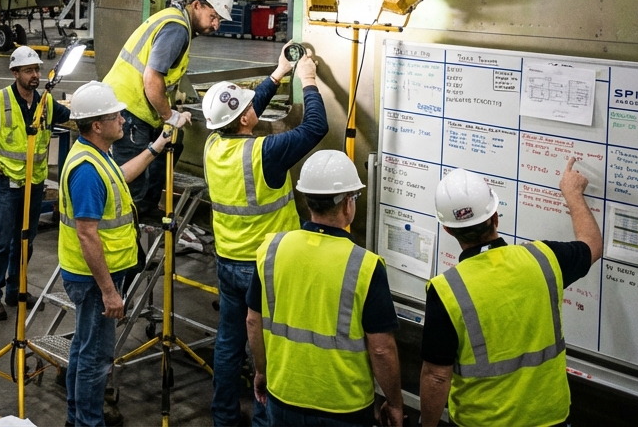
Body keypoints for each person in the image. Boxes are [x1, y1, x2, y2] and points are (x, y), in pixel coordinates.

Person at [200, 46, 328, 427]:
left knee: (228, 343)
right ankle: (263, 419)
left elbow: (244, 108)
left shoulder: (213, 146)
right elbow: (315, 128)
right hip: (267, 267)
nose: (252, 108)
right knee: (266, 347)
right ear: (244, 120)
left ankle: (223, 416)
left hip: (227, 261)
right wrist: (306, 78)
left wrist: (278, 74)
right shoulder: (265, 153)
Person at [419, 162, 602, 427]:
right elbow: (592, 244)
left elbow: (437, 376)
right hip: (549, 418)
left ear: (447, 229)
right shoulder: (544, 260)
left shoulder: (446, 290)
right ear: (495, 217)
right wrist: (572, 194)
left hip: (482, 421)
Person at [59, 80, 189, 427]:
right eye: (115, 115)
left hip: (94, 274)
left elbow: (122, 175)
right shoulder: (86, 171)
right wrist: (109, 291)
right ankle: (88, 422)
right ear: (97, 125)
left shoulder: (97, 155)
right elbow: (87, 235)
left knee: (84, 349)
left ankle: (76, 417)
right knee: (96, 357)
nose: (123, 119)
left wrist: (159, 143)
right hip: (92, 279)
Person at [246, 150, 404, 427]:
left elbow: (252, 320)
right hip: (344, 407)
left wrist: (261, 371)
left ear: (308, 201)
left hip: (283, 396)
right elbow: (381, 350)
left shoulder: (272, 250)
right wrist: (394, 402)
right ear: (347, 204)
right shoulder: (365, 266)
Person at [103, 0, 235, 214]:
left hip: (132, 107)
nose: (216, 25)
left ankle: (146, 212)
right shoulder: (177, 29)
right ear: (197, 5)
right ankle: (128, 230)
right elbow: (152, 79)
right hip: (128, 110)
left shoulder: (173, 19)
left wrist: (173, 102)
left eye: (219, 20)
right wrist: (169, 115)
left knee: (171, 145)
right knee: (131, 185)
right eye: (213, 17)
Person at [0, 45, 72, 322]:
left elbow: (70, 117)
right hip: (6, 183)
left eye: (36, 70)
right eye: (28, 71)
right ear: (15, 73)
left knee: (26, 241)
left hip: (34, 184)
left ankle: (15, 289)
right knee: (1, 241)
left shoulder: (45, 102)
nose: (35, 75)